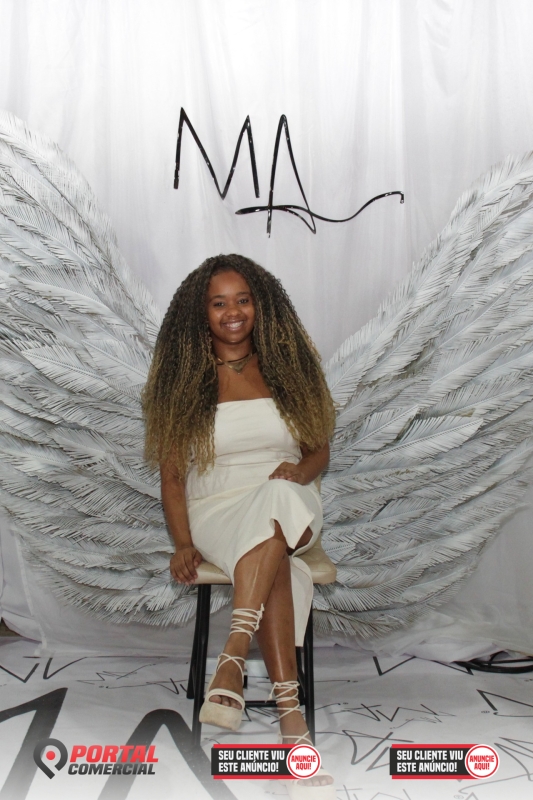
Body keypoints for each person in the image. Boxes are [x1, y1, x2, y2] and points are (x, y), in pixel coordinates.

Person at [143, 254, 336, 793]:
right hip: (218, 508)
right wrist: (183, 542)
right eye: (219, 302)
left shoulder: (287, 366)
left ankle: (233, 654)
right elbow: (174, 478)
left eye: (243, 300)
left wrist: (300, 472)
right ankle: (292, 719)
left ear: (260, 304)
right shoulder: (185, 379)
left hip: (290, 498)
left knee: (277, 502)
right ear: (201, 313)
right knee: (273, 559)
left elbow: (319, 450)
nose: (233, 312)